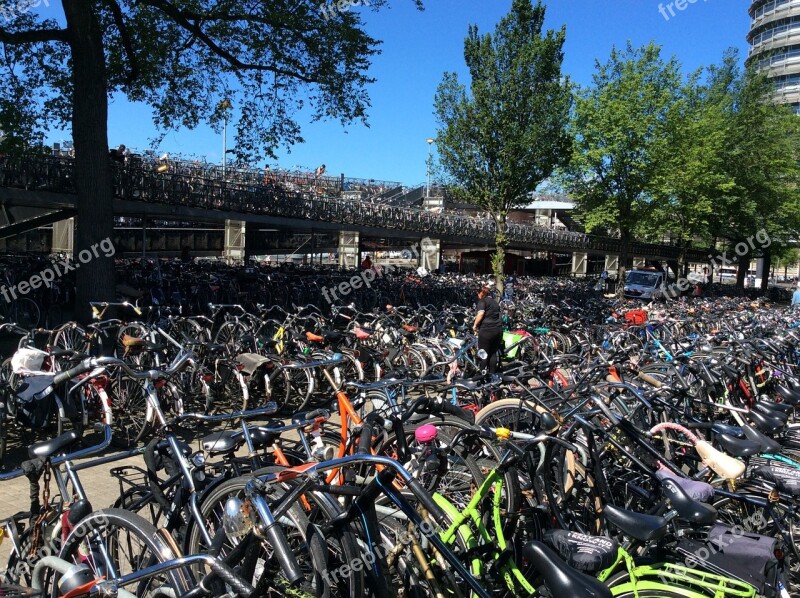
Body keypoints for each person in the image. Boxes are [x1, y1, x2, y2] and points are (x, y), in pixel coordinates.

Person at [472, 285, 503, 375]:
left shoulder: (482, 301)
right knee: (493, 353)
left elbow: (481, 314)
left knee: (483, 353)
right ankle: (492, 375)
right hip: (498, 329)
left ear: (481, 293)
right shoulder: (494, 302)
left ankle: (482, 375)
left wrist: (475, 325)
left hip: (487, 330)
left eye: (478, 293)